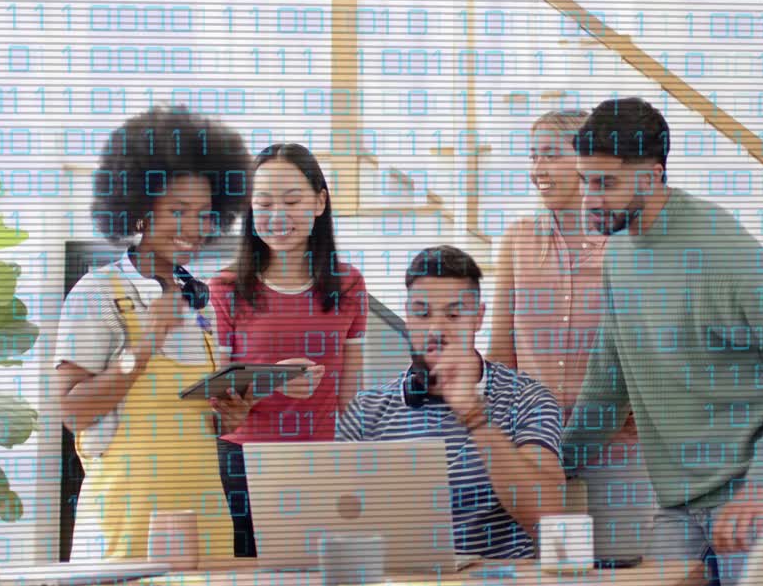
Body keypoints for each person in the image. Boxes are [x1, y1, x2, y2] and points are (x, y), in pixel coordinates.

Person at [565, 97, 763, 586]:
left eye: (605, 184)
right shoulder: (619, 255)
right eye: (585, 182)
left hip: (762, 490)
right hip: (682, 500)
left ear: (652, 175)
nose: (590, 200)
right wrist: (556, 464)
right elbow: (607, 381)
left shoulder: (716, 250)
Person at [53, 105, 249, 561]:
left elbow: (202, 423)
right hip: (124, 531)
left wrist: (231, 414)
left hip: (204, 529)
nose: (194, 228)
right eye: (177, 211)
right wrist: (142, 348)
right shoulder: (97, 293)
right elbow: (72, 410)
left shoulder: (200, 306)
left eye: (203, 214)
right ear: (139, 211)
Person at [336, 246, 564, 559]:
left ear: (479, 317)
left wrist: (475, 417)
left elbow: (548, 516)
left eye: (454, 314)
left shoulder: (528, 399)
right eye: (422, 313)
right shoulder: (365, 410)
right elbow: (333, 520)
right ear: (407, 316)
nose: (436, 329)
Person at [487, 110, 650, 544]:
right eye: (533, 156)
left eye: (551, 155)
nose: (538, 169)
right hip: (537, 443)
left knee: (620, 565)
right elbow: (500, 350)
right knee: (548, 575)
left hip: (614, 444)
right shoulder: (519, 240)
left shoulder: (630, 242)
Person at [208, 143, 368, 558]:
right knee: (246, 582)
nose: (277, 216)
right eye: (263, 204)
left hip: (321, 460)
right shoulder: (225, 288)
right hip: (242, 463)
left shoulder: (349, 285)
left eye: (293, 200)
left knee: (319, 581)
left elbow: (351, 391)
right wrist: (271, 381)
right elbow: (216, 394)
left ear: (319, 201)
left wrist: (356, 461)